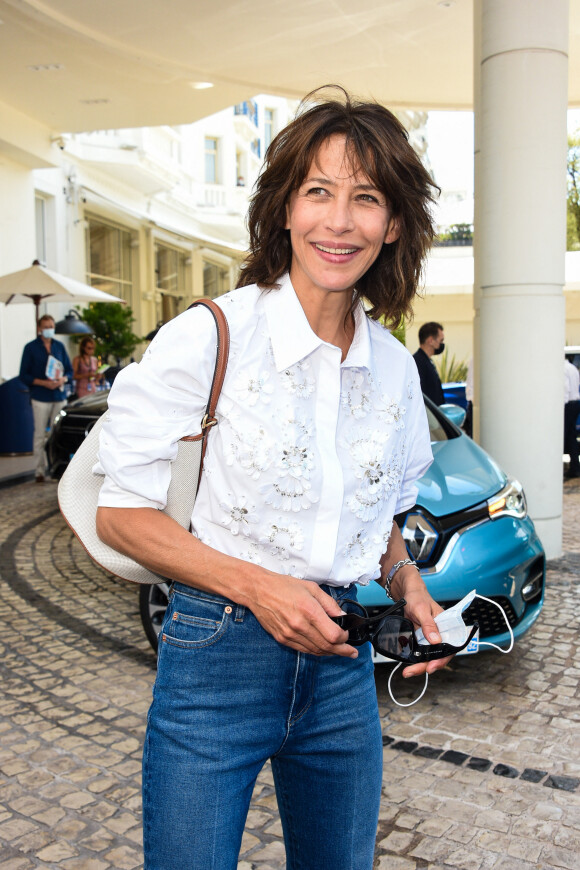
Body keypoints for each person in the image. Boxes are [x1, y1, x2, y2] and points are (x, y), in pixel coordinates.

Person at [95, 86, 450, 870]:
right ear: (285, 208)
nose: (339, 220)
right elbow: (120, 515)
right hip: (214, 658)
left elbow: (380, 515)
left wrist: (406, 585)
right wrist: (259, 587)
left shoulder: (394, 370)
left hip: (342, 667)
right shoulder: (211, 336)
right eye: (317, 191)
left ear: (393, 225)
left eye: (366, 199)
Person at [19, 314, 72, 482]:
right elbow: (24, 375)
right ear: (39, 328)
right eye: (46, 326)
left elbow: (69, 371)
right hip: (41, 396)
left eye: (51, 326)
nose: (49, 329)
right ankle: (39, 471)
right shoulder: (30, 348)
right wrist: (42, 382)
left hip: (59, 395)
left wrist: (62, 380)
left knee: (59, 433)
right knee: (40, 434)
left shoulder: (59, 347)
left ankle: (59, 468)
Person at [413, 321, 445, 405]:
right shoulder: (418, 362)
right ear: (430, 340)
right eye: (441, 340)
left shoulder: (426, 361)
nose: (442, 344)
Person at [564, 354, 580, 479]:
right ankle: (575, 467)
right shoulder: (572, 368)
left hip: (567, 404)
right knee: (571, 436)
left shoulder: (562, 369)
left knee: (563, 436)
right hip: (576, 403)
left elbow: (565, 389)